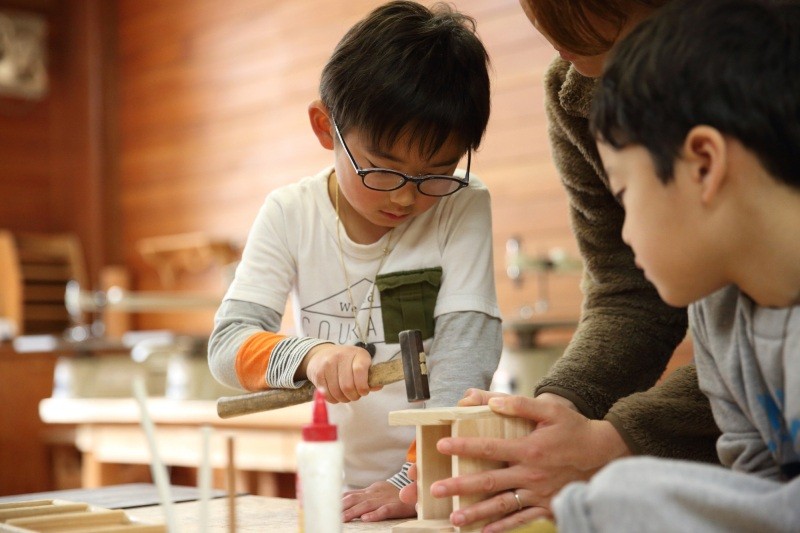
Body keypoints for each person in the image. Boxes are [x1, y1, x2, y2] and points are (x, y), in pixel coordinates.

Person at [400, 1, 723, 531]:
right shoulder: (574, 92)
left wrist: (619, 446)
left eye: (627, 197)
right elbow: (628, 291)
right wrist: (545, 426)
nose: (544, 26)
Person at [208, 0, 502, 523]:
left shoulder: (461, 203)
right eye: (383, 171)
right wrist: (310, 354)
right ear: (326, 127)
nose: (407, 199)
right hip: (337, 486)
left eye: (436, 172)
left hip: (441, 479)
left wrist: (411, 478)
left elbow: (465, 355)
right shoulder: (290, 213)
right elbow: (227, 344)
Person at [551, 0, 800, 530]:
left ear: (703, 164)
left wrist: (611, 499)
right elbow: (755, 483)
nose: (623, 233)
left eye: (624, 192)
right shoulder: (718, 319)